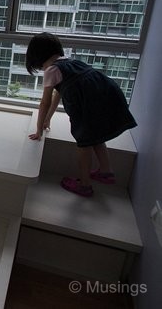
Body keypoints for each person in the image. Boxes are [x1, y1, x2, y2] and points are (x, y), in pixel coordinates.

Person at [25, 32, 137, 197]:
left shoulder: (51, 70)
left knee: (84, 144)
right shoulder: (71, 62)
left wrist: (39, 130)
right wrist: (47, 120)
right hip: (108, 94)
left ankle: (84, 185)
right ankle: (106, 171)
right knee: (96, 137)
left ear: (37, 57)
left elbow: (45, 102)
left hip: (89, 106)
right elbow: (59, 94)